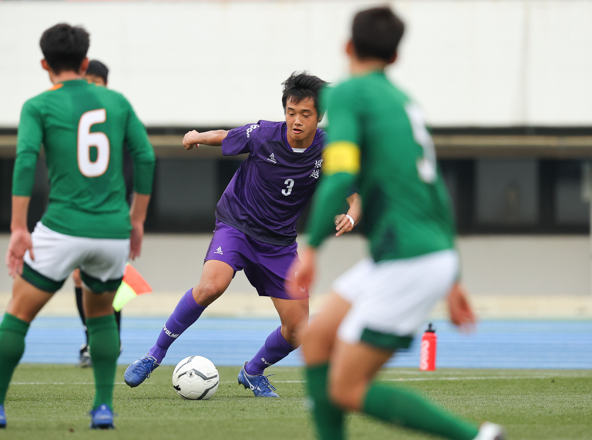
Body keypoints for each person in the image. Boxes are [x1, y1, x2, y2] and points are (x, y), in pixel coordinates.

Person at [287, 7, 505, 440]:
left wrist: (311, 248)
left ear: (347, 46)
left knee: (346, 388)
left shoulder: (349, 94)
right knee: (315, 341)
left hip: (409, 259)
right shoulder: (405, 103)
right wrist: (455, 276)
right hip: (411, 253)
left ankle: (477, 437)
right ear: (396, 57)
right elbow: (436, 193)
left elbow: (341, 170)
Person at [0, 23, 156, 429]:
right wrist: (136, 220)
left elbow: (26, 160)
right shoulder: (116, 101)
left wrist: (18, 226)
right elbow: (146, 158)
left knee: (18, 313)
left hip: (62, 229)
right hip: (112, 233)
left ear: (44, 64)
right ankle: (103, 408)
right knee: (102, 314)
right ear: (85, 63)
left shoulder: (38, 105)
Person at [124, 72, 360, 397]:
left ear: (319, 116)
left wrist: (350, 216)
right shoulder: (264, 133)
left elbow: (355, 197)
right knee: (211, 286)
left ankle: (253, 371)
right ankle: (154, 354)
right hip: (237, 224)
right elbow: (226, 135)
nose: (296, 121)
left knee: (297, 329)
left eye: (305, 114)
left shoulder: (330, 149)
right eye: (291, 112)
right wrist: (196, 135)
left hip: (278, 242)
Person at [73, 59, 127, 368]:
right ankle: (90, 337)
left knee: (108, 278)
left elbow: (135, 161)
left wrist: (131, 214)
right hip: (78, 211)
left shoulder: (117, 115)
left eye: (97, 81)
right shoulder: (76, 119)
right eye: (87, 81)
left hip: (111, 212)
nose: (92, 87)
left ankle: (111, 338)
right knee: (79, 277)